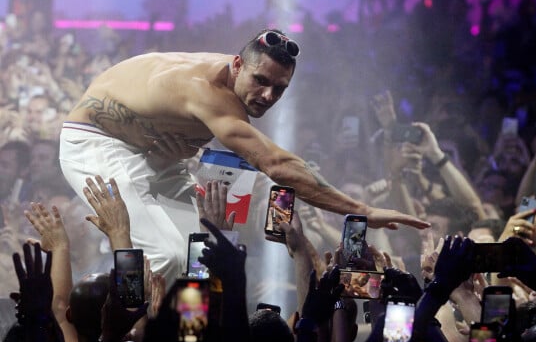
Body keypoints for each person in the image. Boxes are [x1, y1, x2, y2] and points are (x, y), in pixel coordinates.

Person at [59, 28, 429, 286]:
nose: (268, 95)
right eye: (260, 81)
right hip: (96, 143)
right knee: (168, 258)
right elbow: (277, 165)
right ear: (237, 65)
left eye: (279, 88)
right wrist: (363, 211)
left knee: (204, 257)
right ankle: (117, 337)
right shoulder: (208, 92)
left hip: (151, 151)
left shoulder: (232, 80)